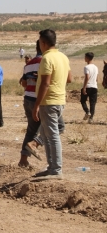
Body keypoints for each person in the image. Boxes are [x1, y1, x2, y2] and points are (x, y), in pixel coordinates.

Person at [32, 29, 71, 179]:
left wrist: (36, 105)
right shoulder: (63, 57)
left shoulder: (46, 59)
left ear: (43, 43)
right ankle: (51, 167)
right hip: (60, 100)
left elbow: (45, 84)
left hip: (49, 101)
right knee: (47, 135)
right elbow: (69, 78)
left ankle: (56, 169)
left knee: (52, 135)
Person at [81, 52, 99, 123]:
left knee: (83, 101)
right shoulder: (96, 67)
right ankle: (91, 118)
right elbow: (97, 78)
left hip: (88, 86)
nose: (84, 58)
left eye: (85, 57)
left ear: (88, 58)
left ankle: (87, 111)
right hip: (94, 86)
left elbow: (87, 77)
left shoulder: (86, 67)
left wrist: (84, 87)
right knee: (92, 103)